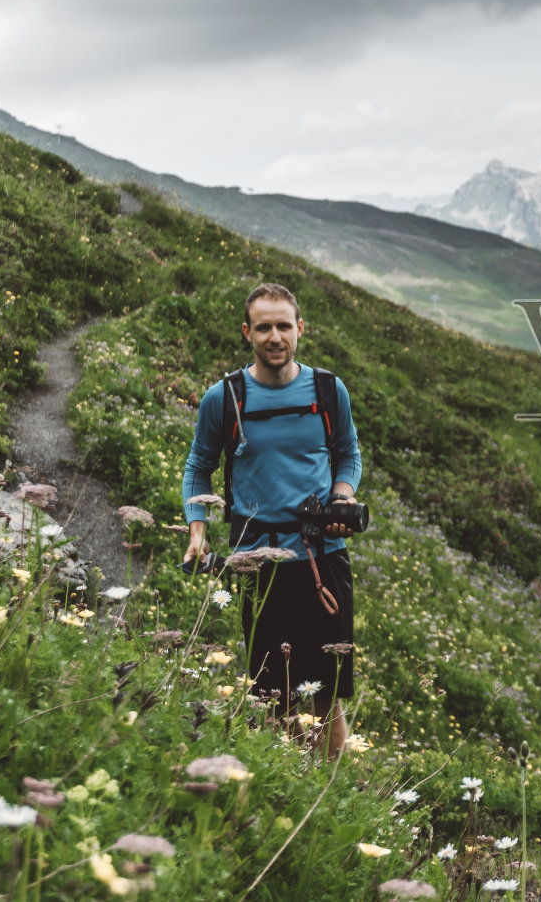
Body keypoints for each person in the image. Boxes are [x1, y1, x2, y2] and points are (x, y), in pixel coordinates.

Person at [182, 282, 362, 758]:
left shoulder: (328, 389)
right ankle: (287, 786)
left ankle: (327, 795)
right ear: (247, 332)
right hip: (258, 563)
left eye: (284, 326)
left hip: (323, 557)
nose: (275, 337)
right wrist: (196, 528)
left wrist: (342, 497)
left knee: (327, 694)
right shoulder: (225, 398)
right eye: (264, 327)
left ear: (300, 329)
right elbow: (199, 465)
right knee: (272, 695)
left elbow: (348, 454)